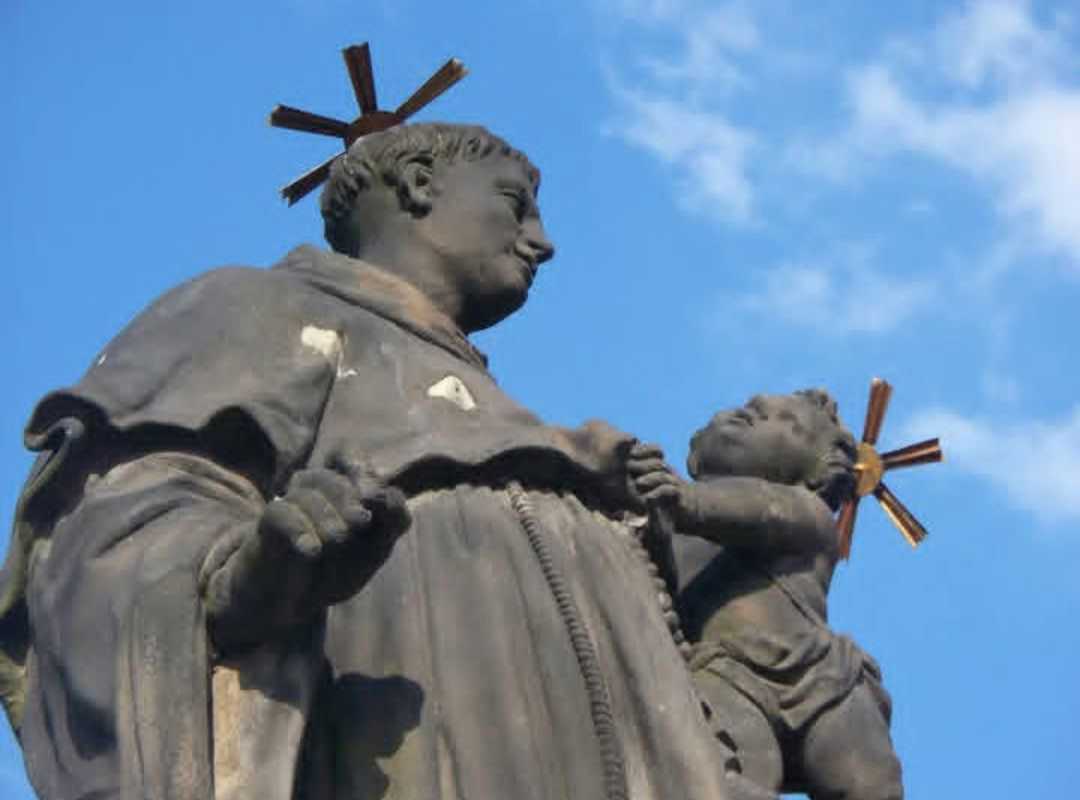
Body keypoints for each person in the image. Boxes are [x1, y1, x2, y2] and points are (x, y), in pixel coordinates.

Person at [0, 124, 767, 800]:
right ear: (421, 183)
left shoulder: (495, 405)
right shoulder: (259, 307)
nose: (542, 240)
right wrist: (252, 569)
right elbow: (119, 522)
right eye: (516, 204)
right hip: (404, 719)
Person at [638, 390, 903, 799]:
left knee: (867, 783)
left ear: (815, 477)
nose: (751, 415)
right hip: (725, 670)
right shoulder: (676, 521)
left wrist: (683, 499)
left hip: (822, 679)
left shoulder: (807, 513)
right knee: (723, 761)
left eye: (787, 423)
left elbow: (762, 510)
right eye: (750, 408)